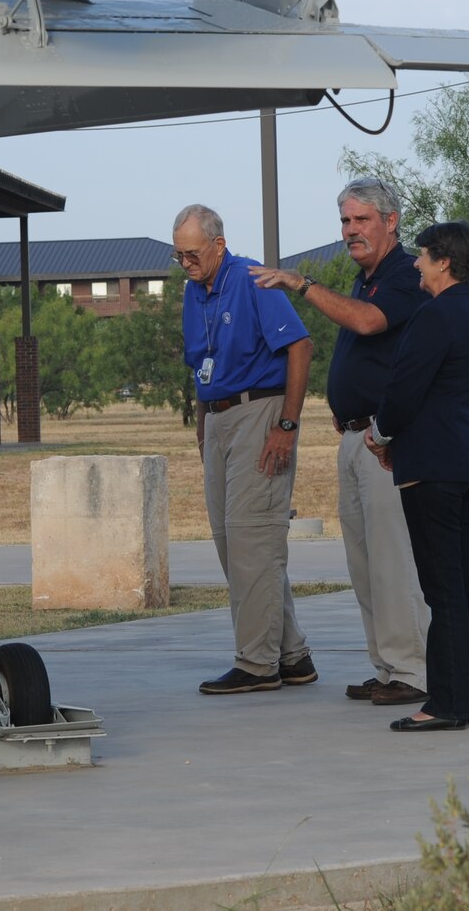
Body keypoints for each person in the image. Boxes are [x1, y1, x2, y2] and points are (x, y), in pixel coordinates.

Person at [250, 178, 429, 709]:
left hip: (385, 441)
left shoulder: (401, 274)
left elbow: (370, 323)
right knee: (364, 562)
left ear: (391, 221)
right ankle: (388, 666)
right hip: (354, 436)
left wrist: (301, 285)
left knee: (393, 560)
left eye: (361, 221)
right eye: (346, 222)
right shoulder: (364, 277)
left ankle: (415, 670)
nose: (351, 231)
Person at [173, 204, 318, 694]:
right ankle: (291, 655)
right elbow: (200, 364)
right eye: (179, 256)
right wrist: (201, 427)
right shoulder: (192, 294)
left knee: (253, 537)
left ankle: (257, 664)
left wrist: (287, 424)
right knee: (234, 543)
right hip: (217, 419)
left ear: (218, 244)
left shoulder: (252, 279)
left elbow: (300, 347)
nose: (187, 263)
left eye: (193, 254)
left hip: (260, 412)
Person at [365, 221, 469, 731]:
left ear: (444, 261)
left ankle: (444, 703)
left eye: (422, 256)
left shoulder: (435, 314)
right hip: (463, 460)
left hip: (433, 467)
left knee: (441, 588)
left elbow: (404, 389)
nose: (416, 263)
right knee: (464, 585)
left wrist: (379, 433)